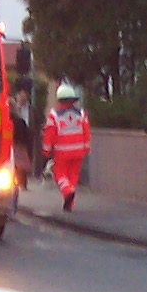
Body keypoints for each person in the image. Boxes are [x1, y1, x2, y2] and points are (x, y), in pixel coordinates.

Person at [43, 82, 91, 211]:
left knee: (59, 174)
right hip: (78, 151)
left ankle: (67, 192)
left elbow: (49, 134)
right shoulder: (81, 113)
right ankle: (69, 204)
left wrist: (46, 150)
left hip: (62, 152)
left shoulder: (54, 114)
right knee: (73, 176)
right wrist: (86, 147)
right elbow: (86, 131)